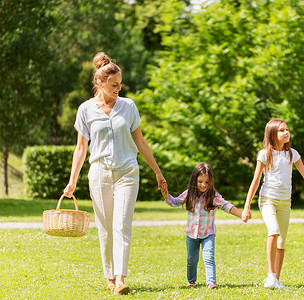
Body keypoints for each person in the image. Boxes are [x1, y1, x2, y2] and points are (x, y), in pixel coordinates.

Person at [64, 52, 166, 295]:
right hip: (99, 173)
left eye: (120, 84)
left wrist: (158, 172)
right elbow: (81, 148)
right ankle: (109, 277)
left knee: (122, 225)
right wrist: (72, 180)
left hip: (127, 173)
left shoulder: (128, 107)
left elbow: (141, 142)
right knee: (105, 228)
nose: (119, 88)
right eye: (114, 85)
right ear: (100, 83)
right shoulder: (86, 110)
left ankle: (120, 278)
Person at [241, 119, 304, 288]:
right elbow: (255, 181)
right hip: (267, 200)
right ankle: (271, 276)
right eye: (281, 130)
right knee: (274, 231)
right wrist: (246, 206)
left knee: (281, 241)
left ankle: (276, 280)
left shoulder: (293, 154)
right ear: (272, 134)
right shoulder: (264, 154)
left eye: (287, 129)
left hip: (285, 203)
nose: (286, 133)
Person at [160, 163, 243, 289]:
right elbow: (175, 202)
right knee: (191, 260)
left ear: (211, 182)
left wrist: (241, 215)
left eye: (206, 182)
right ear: (194, 180)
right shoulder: (189, 194)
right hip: (191, 234)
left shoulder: (213, 196)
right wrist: (165, 194)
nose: (203, 185)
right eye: (200, 182)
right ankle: (192, 281)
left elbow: (226, 206)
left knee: (209, 257)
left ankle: (211, 283)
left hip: (208, 234)